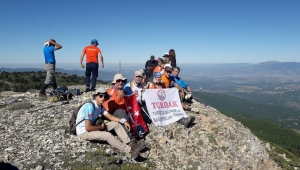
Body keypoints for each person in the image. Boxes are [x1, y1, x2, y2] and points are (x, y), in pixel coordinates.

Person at [76, 87, 142, 159]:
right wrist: (100, 128)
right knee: (107, 135)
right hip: (83, 132)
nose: (103, 98)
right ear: (95, 96)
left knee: (116, 124)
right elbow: (88, 128)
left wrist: (123, 121)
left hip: (93, 125)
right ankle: (129, 151)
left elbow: (110, 117)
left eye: (104, 96)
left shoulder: (100, 106)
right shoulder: (90, 106)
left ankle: (129, 142)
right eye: (100, 96)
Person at [103, 73, 133, 138]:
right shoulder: (110, 92)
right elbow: (107, 108)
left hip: (123, 113)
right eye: (118, 81)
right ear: (115, 82)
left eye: (122, 81)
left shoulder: (123, 91)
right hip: (111, 114)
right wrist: (118, 97)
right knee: (120, 111)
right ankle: (129, 135)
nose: (120, 82)